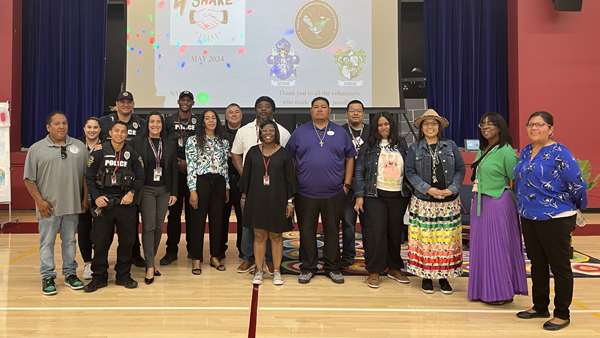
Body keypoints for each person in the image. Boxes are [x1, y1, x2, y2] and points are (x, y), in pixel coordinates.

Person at [514, 111, 587, 331]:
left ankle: (562, 313)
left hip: (556, 217)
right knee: (537, 264)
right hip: (529, 215)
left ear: (551, 128)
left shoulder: (560, 153)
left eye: (539, 124)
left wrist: (570, 207)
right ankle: (540, 306)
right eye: (530, 124)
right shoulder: (527, 151)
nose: (533, 128)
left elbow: (578, 184)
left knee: (559, 266)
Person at [286, 97, 356, 284]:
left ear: (329, 110)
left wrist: (347, 185)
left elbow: (350, 158)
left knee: (332, 230)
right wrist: (293, 185)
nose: (319, 110)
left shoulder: (340, 132)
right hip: (305, 192)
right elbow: (290, 159)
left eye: (323, 107)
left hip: (334, 192)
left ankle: (332, 267)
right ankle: (308, 267)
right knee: (306, 231)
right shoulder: (299, 132)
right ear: (311, 111)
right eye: (315, 107)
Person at [24, 111, 88, 295]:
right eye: (57, 124)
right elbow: (29, 179)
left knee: (69, 241)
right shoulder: (36, 149)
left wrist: (84, 199)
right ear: (48, 127)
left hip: (72, 205)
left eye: (65, 123)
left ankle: (70, 274)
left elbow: (85, 176)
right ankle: (47, 276)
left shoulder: (79, 147)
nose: (62, 127)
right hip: (48, 208)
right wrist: (39, 201)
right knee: (47, 242)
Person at [468, 112, 528, 304]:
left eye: (490, 124)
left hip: (498, 202)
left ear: (500, 127)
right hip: (480, 203)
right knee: (481, 248)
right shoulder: (483, 149)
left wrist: (519, 204)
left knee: (497, 248)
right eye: (482, 124)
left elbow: (518, 179)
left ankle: (501, 292)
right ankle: (482, 290)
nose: (485, 127)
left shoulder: (506, 151)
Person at [404, 109, 465, 294]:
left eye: (434, 123)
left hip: (448, 203)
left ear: (439, 127)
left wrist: (452, 189)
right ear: (421, 128)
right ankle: (426, 277)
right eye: (426, 123)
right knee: (426, 242)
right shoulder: (414, 148)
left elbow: (460, 169)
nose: (430, 126)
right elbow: (409, 172)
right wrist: (426, 188)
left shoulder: (451, 146)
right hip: (424, 202)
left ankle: (444, 277)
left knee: (446, 243)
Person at [231, 96, 291, 275]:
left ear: (273, 110)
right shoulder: (243, 131)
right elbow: (236, 155)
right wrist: (250, 179)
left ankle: (272, 261)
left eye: (267, 106)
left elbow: (286, 161)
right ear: (255, 110)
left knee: (274, 229)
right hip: (253, 189)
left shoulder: (284, 132)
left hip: (276, 191)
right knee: (252, 227)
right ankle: (250, 258)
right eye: (260, 106)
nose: (263, 109)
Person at [83, 121, 145, 292]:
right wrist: (96, 197)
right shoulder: (99, 152)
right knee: (100, 241)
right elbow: (89, 177)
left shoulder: (132, 153)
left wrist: (132, 192)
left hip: (125, 203)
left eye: (123, 131)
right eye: (116, 131)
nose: (119, 134)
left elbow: (140, 177)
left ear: (126, 134)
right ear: (110, 132)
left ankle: (123, 275)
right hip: (104, 203)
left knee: (127, 241)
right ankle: (99, 277)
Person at [354, 111, 411, 288]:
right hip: (374, 196)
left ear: (391, 125)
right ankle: (374, 270)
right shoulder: (368, 146)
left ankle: (394, 268)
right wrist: (359, 195)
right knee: (375, 234)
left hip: (398, 196)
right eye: (379, 125)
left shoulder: (401, 144)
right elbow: (359, 172)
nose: (383, 127)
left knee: (395, 233)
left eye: (386, 124)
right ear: (375, 128)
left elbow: (408, 168)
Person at [239, 120, 295, 285]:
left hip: (278, 200)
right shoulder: (252, 152)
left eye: (271, 130)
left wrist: (290, 202)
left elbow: (290, 180)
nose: (268, 133)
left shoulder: (284, 153)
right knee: (259, 235)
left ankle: (276, 271)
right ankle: (258, 270)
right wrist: (243, 196)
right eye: (265, 130)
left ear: (276, 133)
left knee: (276, 235)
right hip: (256, 200)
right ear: (260, 133)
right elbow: (246, 177)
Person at [99, 91, 147, 268]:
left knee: (132, 221)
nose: (125, 105)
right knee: (104, 229)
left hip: (134, 178)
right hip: (108, 184)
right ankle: (100, 264)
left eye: (129, 102)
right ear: (116, 104)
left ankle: (134, 254)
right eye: (122, 102)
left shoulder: (142, 124)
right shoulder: (104, 122)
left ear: (133, 104)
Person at [132, 111, 178, 284]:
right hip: (147, 190)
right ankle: (150, 265)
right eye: (152, 121)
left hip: (164, 190)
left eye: (158, 122)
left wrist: (174, 192)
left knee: (159, 227)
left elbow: (173, 169)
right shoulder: (138, 142)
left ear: (162, 124)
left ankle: (151, 261)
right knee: (149, 226)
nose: (155, 125)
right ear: (147, 124)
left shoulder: (169, 143)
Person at [186, 109, 230, 275]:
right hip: (201, 181)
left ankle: (215, 256)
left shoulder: (222, 141)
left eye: (214, 118)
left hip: (219, 182)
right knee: (198, 220)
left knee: (217, 220)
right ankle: (196, 258)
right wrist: (192, 190)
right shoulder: (193, 140)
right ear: (202, 121)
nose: (211, 121)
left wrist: (226, 186)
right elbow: (190, 166)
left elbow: (225, 165)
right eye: (207, 118)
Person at [160, 90, 199, 266]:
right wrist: (176, 163)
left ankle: (193, 250)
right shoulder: (168, 121)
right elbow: (164, 143)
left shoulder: (199, 122)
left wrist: (188, 164)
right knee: (174, 214)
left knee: (193, 214)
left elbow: (201, 146)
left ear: (192, 103)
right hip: (173, 173)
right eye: (182, 100)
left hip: (192, 173)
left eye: (188, 100)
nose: (185, 102)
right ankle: (171, 251)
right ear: (178, 101)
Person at [340, 99, 370, 268]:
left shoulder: (372, 132)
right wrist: (348, 182)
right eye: (352, 110)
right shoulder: (340, 132)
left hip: (367, 187)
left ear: (363, 113)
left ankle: (370, 255)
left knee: (368, 225)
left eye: (359, 110)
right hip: (348, 186)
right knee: (348, 224)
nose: (355, 113)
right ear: (347, 113)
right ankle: (348, 255)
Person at [77, 116, 103, 280]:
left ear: (100, 129)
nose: (92, 130)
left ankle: (100, 262)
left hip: (101, 193)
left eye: (95, 127)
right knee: (84, 229)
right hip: (80, 194)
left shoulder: (107, 145)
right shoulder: (76, 145)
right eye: (89, 127)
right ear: (84, 129)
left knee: (101, 230)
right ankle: (87, 263)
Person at [222, 103, 244, 259]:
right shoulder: (219, 133)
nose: (234, 114)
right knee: (221, 216)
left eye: (237, 112)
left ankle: (243, 249)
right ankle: (219, 249)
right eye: (230, 112)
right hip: (222, 181)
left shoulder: (247, 132)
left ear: (241, 115)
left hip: (242, 181)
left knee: (243, 217)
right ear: (226, 116)